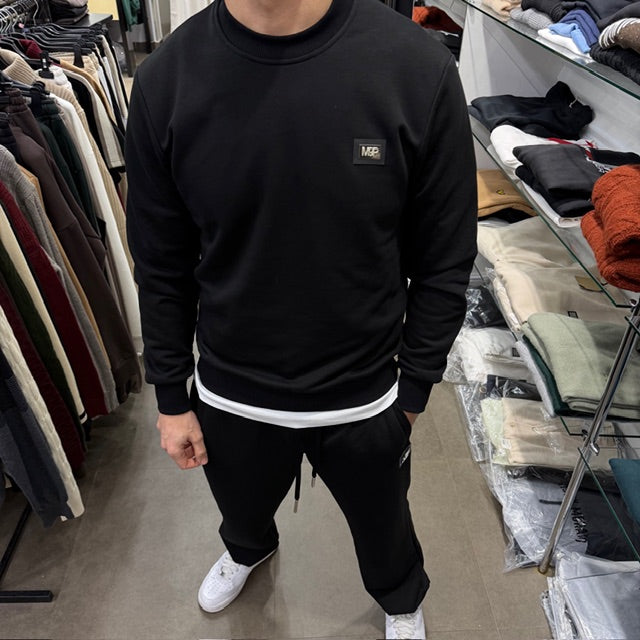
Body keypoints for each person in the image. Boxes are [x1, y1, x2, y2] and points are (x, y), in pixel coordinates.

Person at [125, 0, 477, 637]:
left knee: (385, 527)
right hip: (230, 389)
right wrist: (171, 398)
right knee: (240, 511)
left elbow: (445, 256)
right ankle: (248, 549)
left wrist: (415, 387)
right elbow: (160, 263)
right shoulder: (166, 78)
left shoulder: (415, 68)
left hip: (367, 393)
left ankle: (400, 598)